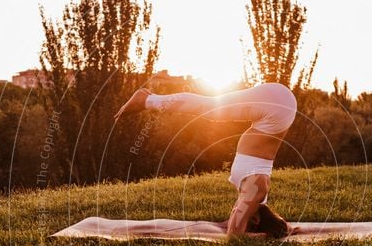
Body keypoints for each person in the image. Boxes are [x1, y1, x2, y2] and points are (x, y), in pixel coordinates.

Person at [114, 82, 298, 238]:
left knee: (211, 108)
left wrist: (277, 231)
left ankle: (147, 99)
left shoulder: (256, 189)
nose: (237, 210)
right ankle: (146, 99)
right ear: (256, 220)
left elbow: (241, 222)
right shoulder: (257, 189)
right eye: (248, 221)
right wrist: (264, 237)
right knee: (210, 108)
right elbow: (234, 236)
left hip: (278, 108)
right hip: (277, 107)